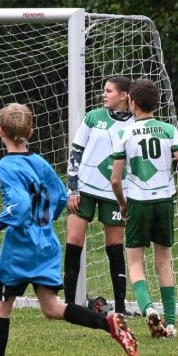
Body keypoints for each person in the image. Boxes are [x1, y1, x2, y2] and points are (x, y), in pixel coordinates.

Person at [0, 103, 139, 356]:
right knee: (52, 307)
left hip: (21, 250)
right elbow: (59, 199)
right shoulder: (40, 163)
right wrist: (43, 220)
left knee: (1, 306)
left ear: (0, 132)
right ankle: (109, 324)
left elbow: (18, 208)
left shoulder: (5, 165)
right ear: (30, 132)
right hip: (46, 245)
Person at [110, 78, 178, 340]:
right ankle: (170, 323)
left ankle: (148, 308)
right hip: (164, 202)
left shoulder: (124, 133)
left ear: (132, 103)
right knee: (164, 260)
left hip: (138, 202)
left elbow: (115, 179)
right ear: (156, 105)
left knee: (135, 261)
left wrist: (123, 204)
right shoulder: (168, 130)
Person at [64, 76, 134, 313]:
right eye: (104, 90)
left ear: (124, 95)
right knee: (74, 242)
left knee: (115, 246)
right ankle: (70, 304)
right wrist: (72, 188)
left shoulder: (136, 123)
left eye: (109, 91)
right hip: (84, 190)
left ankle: (121, 307)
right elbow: (76, 153)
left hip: (115, 193)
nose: (104, 94)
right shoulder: (93, 117)